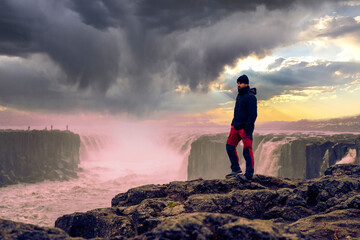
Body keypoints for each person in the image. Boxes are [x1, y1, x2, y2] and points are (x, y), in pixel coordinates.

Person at [225, 74, 257, 180]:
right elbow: (237, 111)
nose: (238, 85)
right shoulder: (239, 96)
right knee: (229, 147)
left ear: (246, 84)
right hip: (235, 127)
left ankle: (248, 174)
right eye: (237, 83)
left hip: (244, 128)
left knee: (247, 150)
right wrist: (233, 124)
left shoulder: (251, 97)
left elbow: (253, 114)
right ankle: (236, 170)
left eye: (241, 83)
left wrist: (247, 128)